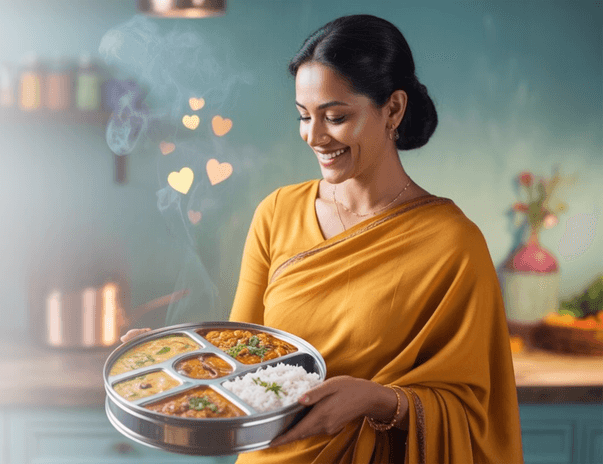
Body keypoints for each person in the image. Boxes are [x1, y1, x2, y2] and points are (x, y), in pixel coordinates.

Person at [123, 14, 523, 464]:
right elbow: (240, 355)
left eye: (335, 117)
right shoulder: (277, 212)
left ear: (392, 109)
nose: (314, 136)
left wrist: (377, 400)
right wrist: (172, 357)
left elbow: (476, 411)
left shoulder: (453, 244)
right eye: (303, 116)